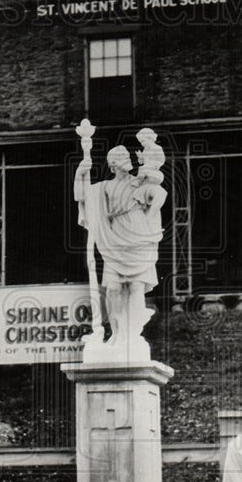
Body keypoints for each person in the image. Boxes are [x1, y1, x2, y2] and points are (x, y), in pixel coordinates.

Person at [74, 137, 166, 352]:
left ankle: (132, 335)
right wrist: (81, 172)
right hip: (115, 236)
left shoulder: (139, 182)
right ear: (113, 165)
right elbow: (83, 195)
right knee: (113, 288)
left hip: (138, 232)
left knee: (136, 286)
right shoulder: (105, 187)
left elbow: (161, 194)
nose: (126, 161)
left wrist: (150, 215)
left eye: (126, 157)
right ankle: (116, 333)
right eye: (121, 158)